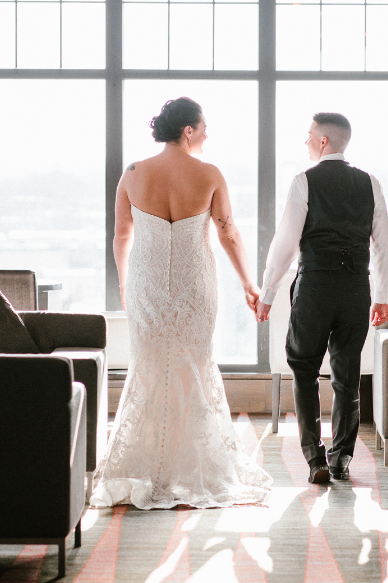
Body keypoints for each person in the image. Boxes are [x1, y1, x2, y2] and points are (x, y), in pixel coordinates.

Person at [90, 97, 272, 509]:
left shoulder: (133, 174)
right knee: (194, 363)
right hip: (195, 285)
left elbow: (121, 236)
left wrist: (124, 283)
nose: (207, 134)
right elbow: (228, 233)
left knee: (150, 363)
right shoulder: (209, 174)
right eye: (203, 127)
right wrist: (249, 282)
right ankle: (192, 465)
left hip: (147, 283)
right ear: (188, 130)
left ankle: (149, 462)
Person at [256, 113, 388, 484]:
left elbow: (285, 245)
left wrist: (268, 292)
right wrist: (381, 296)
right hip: (355, 289)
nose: (305, 141)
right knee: (347, 375)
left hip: (315, 287)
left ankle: (315, 459)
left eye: (309, 135)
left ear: (323, 141)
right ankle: (342, 458)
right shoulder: (370, 183)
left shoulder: (304, 181)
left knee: (304, 370)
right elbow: (383, 245)